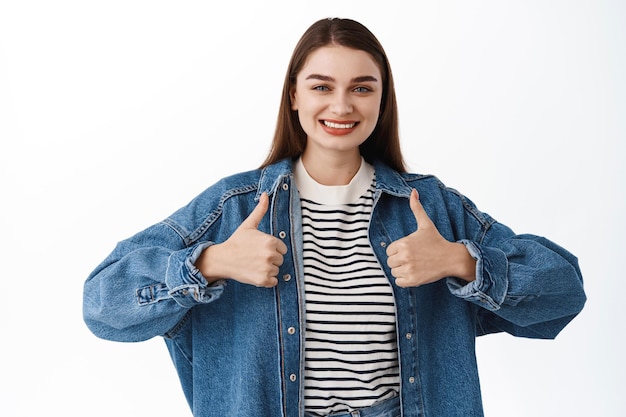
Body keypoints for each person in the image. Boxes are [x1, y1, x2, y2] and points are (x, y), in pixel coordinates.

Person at [83, 17, 586, 417]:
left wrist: (463, 261)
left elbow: (564, 292)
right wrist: (208, 263)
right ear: (294, 96)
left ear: (382, 99)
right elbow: (102, 306)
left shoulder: (431, 209)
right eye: (322, 86)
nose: (342, 105)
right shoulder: (232, 209)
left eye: (362, 88)